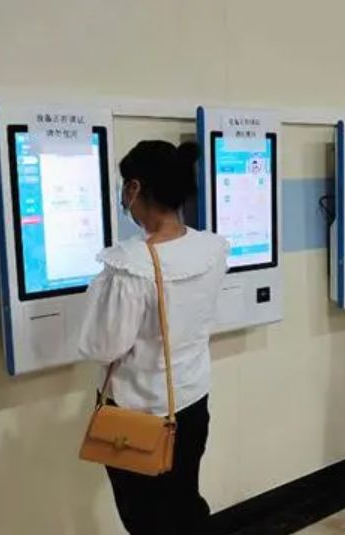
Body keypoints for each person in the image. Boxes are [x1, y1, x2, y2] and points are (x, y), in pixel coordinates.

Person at [78, 141, 229, 534]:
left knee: (146, 519)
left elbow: (104, 346)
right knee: (184, 505)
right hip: (192, 404)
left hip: (140, 416)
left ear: (134, 188)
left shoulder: (132, 265)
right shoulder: (209, 248)